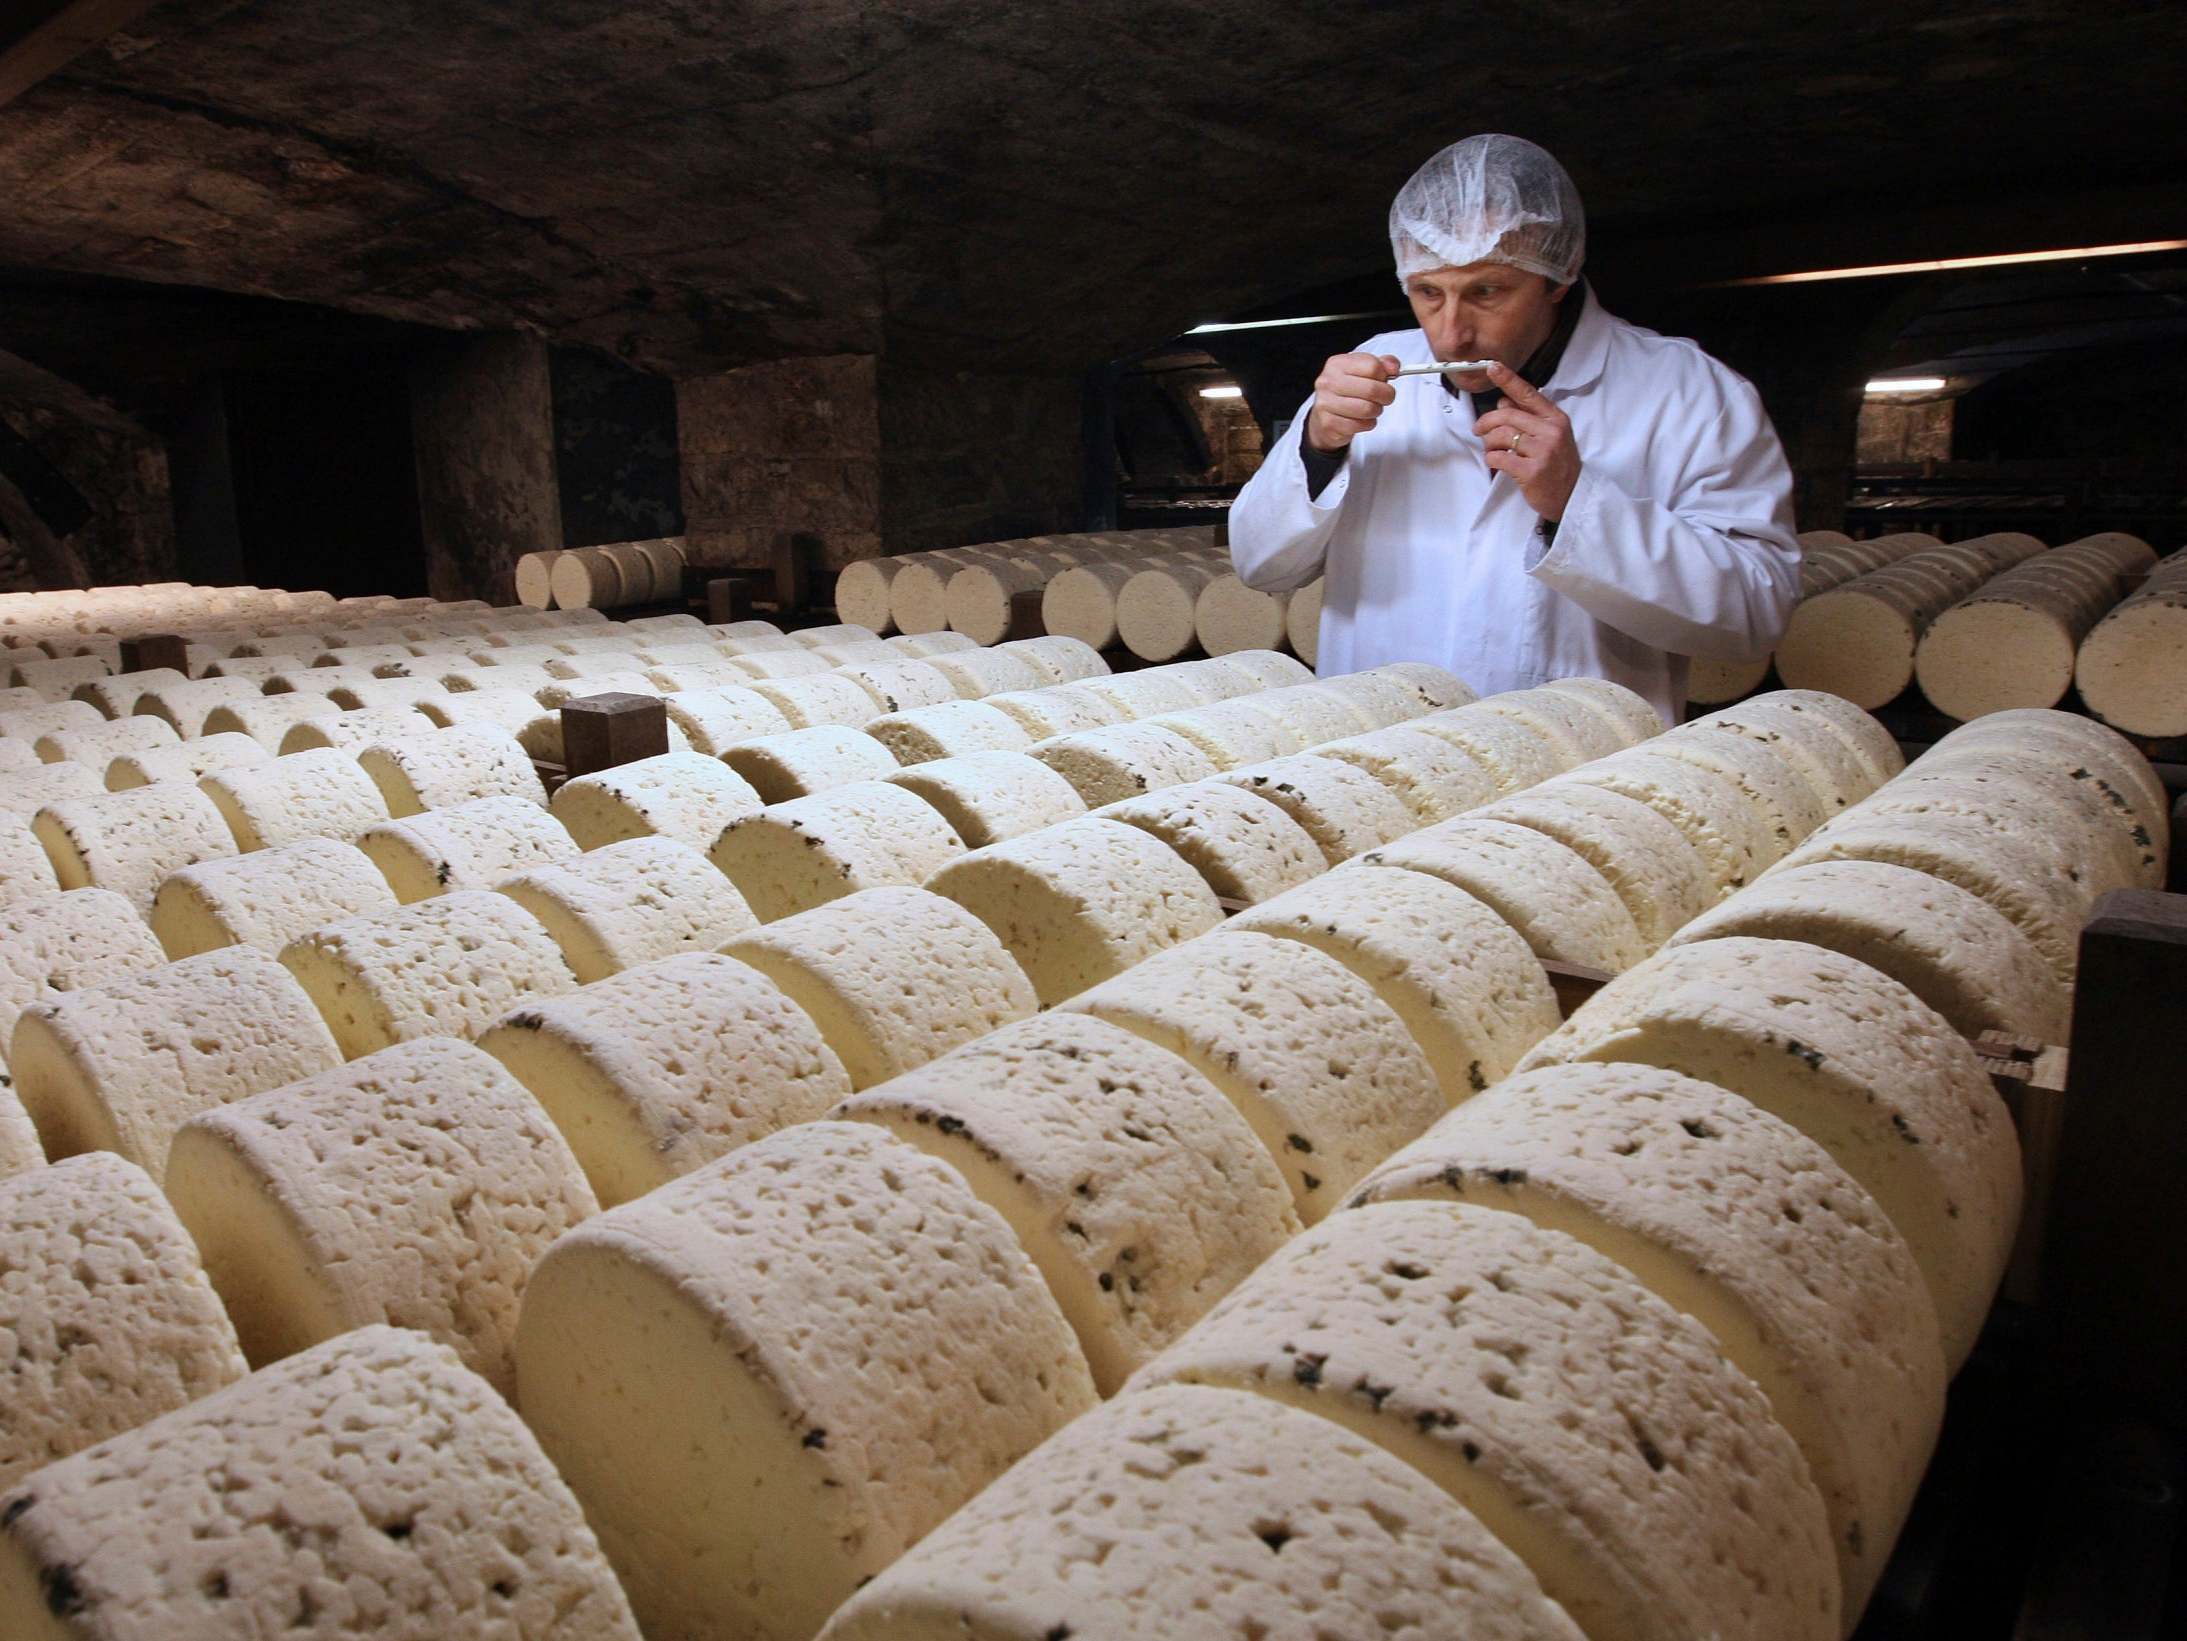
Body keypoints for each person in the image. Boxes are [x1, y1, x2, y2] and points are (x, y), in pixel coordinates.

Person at [1227, 133, 1800, 725]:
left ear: (1559, 274)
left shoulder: (1688, 392)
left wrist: (1575, 504)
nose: (1451, 335)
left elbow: (1755, 616)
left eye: (1487, 292)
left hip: (1574, 770)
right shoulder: (1367, 372)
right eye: (1428, 292)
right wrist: (1319, 448)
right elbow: (1261, 566)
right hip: (1380, 753)